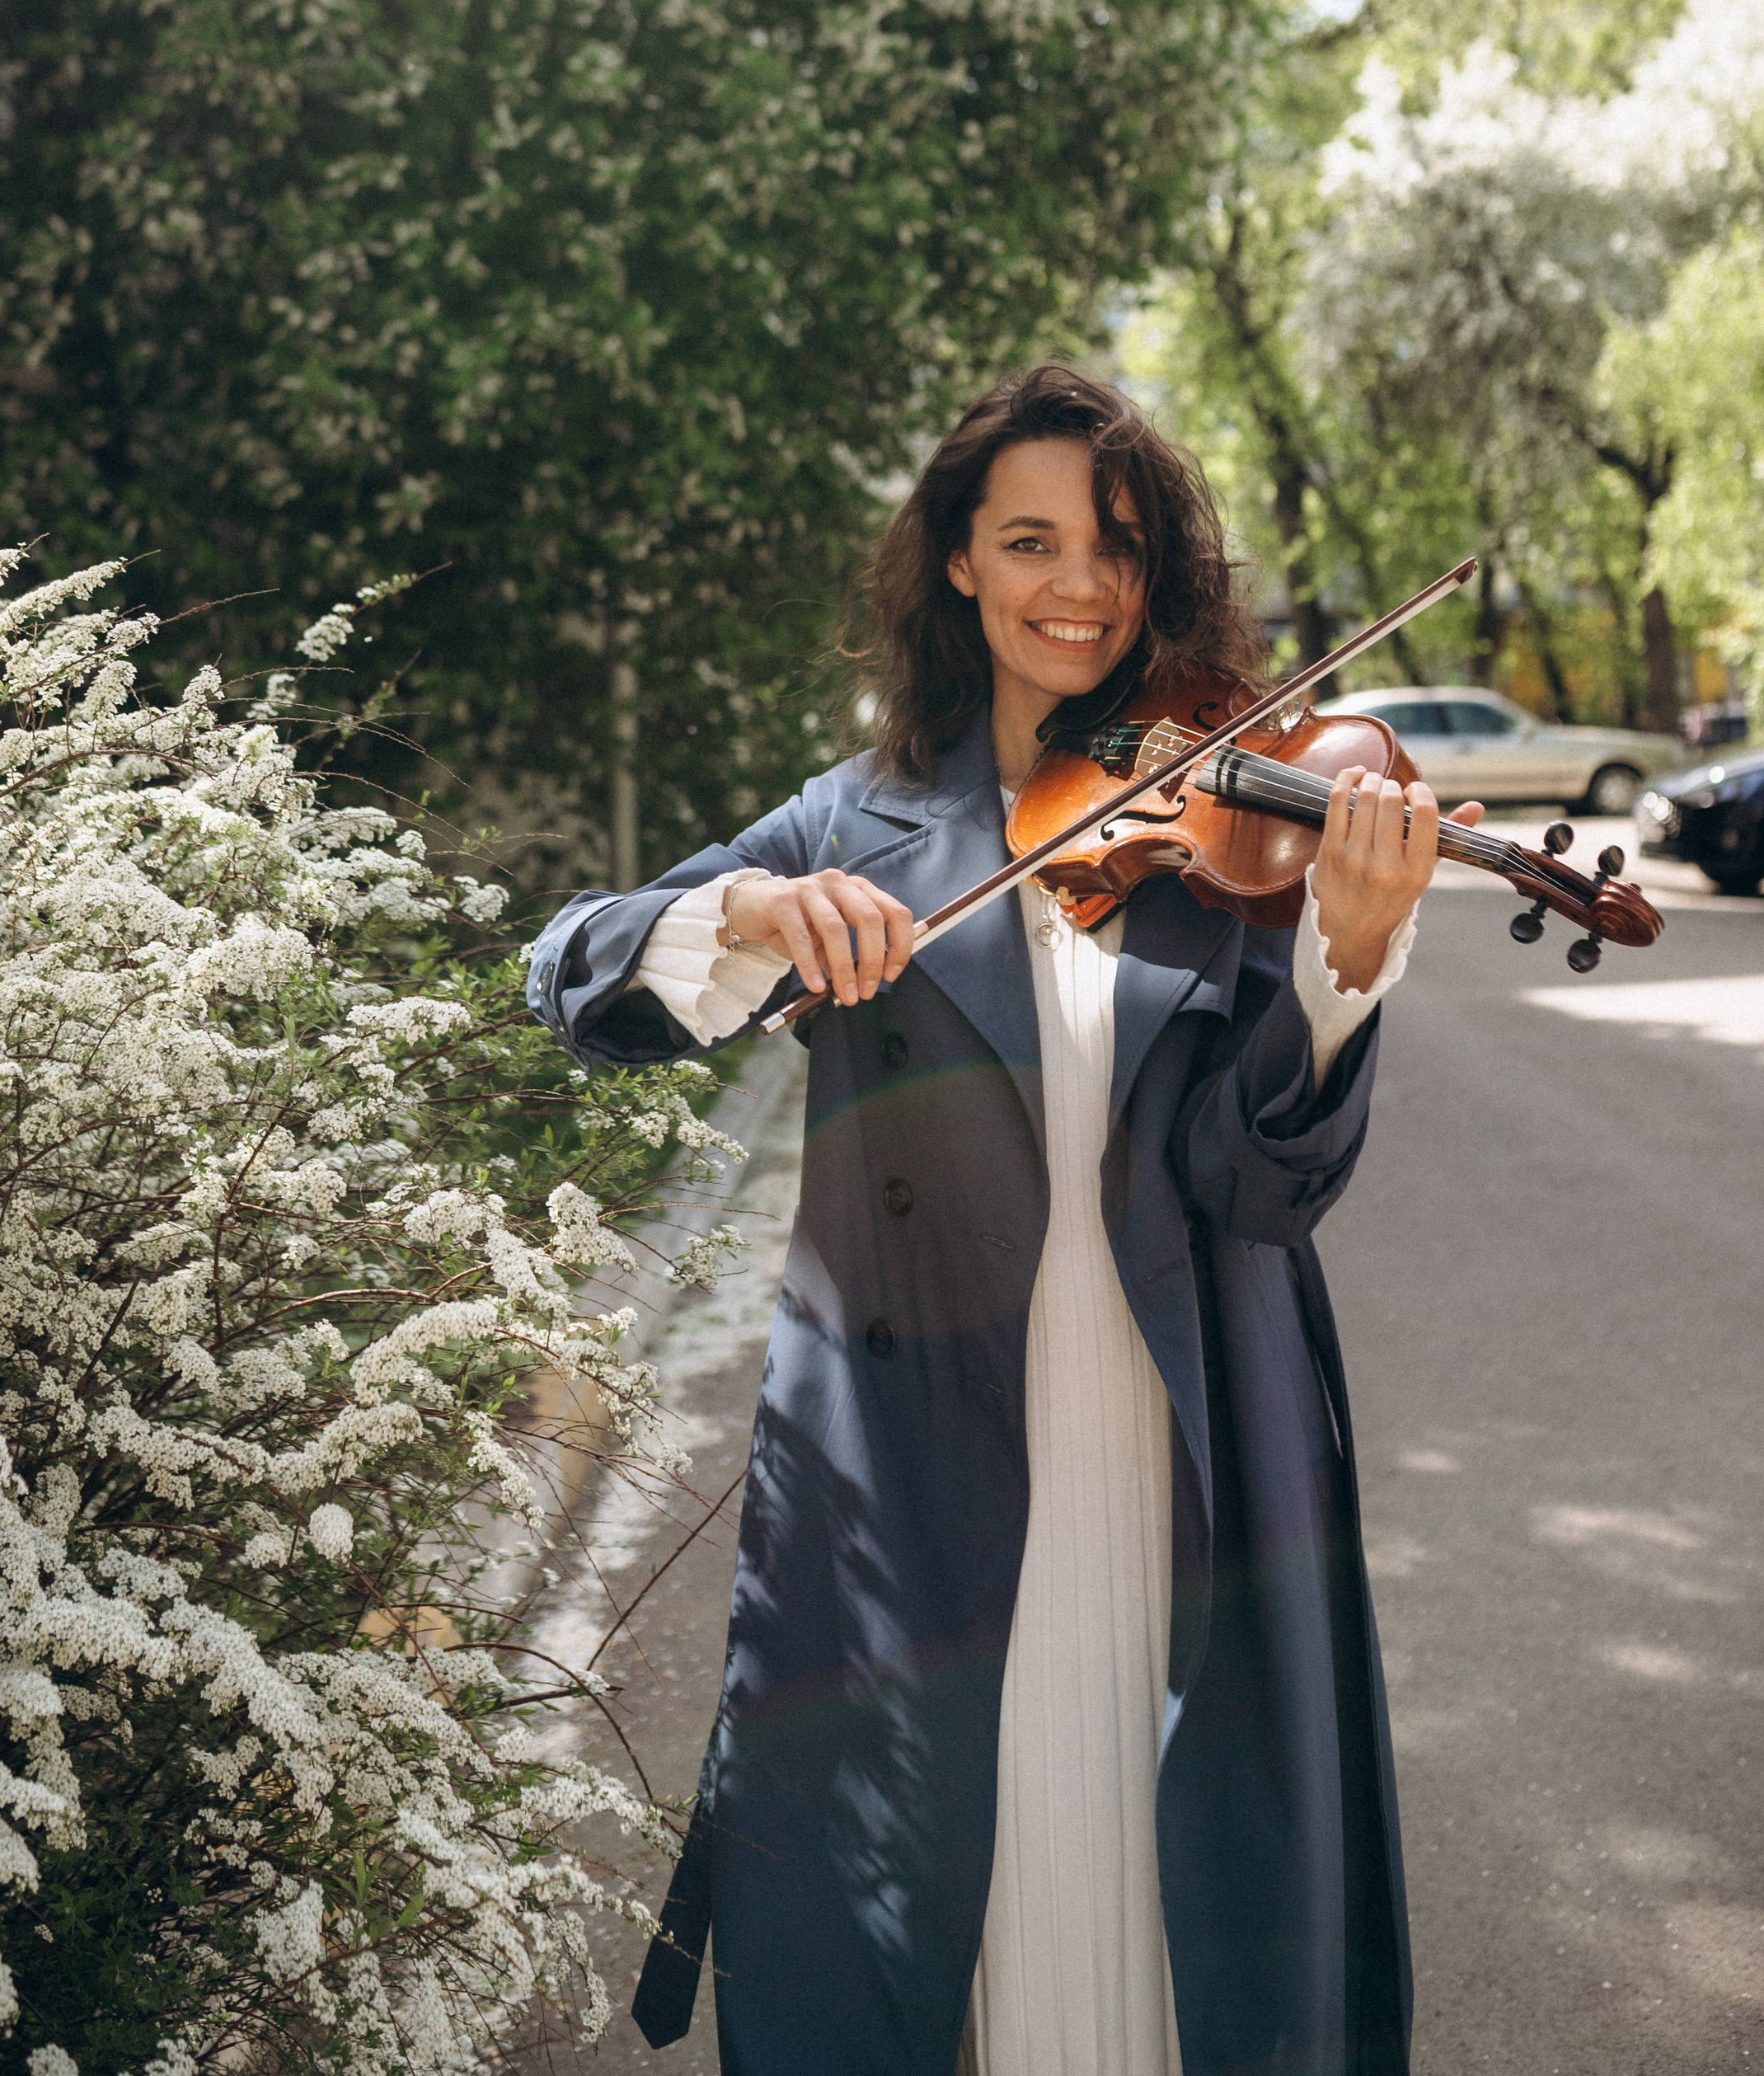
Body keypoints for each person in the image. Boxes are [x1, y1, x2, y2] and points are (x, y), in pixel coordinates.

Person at [527, 362, 1471, 2076]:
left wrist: (1341, 964)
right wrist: (744, 908)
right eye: (1026, 541)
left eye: (1113, 545)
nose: (1077, 586)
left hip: (1183, 1429)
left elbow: (1268, 1188)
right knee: (943, 1894)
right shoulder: (855, 821)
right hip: (917, 1446)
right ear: (955, 562)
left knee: (1177, 1886)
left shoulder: (1241, 832)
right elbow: (574, 977)